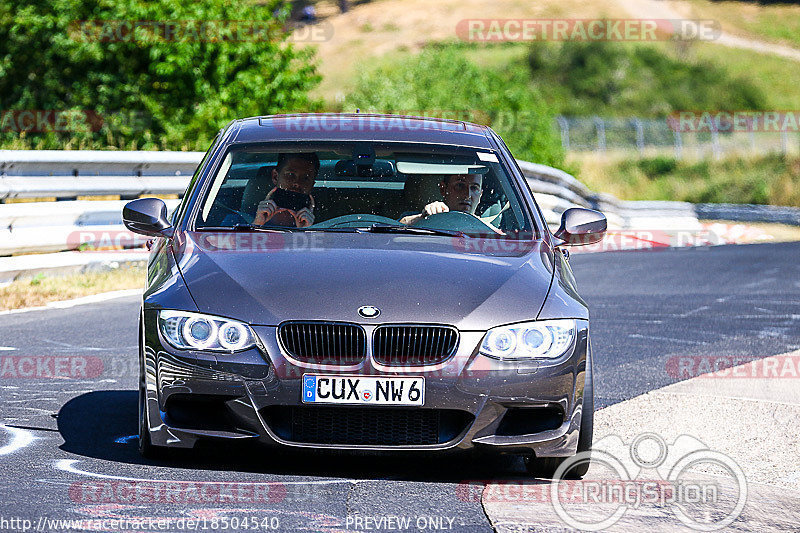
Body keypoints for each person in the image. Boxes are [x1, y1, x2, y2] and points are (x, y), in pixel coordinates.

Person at [253, 153, 319, 227]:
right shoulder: (242, 221)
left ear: (312, 185)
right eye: (291, 175)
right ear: (275, 177)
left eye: (306, 178)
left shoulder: (323, 227)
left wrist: (305, 230)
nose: (297, 183)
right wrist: (257, 223)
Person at [399, 173, 483, 225]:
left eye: (474, 188)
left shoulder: (488, 228)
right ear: (443, 189)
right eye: (460, 186)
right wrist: (425, 218)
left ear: (480, 195)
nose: (467, 195)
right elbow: (395, 230)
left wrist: (482, 225)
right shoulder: (419, 218)